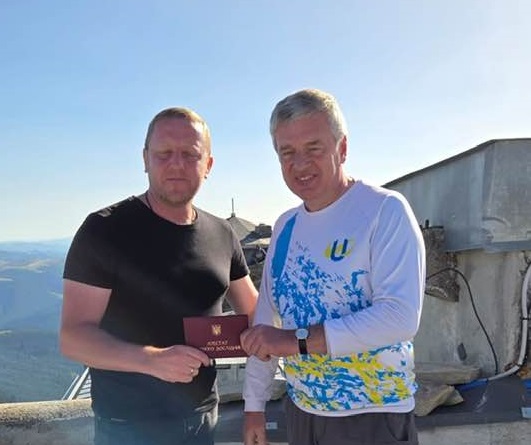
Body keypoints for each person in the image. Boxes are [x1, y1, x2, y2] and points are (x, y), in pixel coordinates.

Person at [60, 107, 258, 445]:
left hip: (203, 419)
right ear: (145, 159)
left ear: (208, 164)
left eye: (190, 154)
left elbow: (255, 313)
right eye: (164, 153)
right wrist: (152, 360)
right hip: (128, 427)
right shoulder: (104, 229)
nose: (176, 164)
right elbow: (73, 337)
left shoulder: (222, 234)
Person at [241, 89, 426, 445]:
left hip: (373, 416)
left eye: (314, 148)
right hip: (302, 411)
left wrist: (294, 342)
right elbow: (268, 319)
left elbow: (400, 317)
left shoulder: (384, 210)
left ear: (342, 149)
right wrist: (254, 406)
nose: (300, 164)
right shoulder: (285, 226)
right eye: (287, 152)